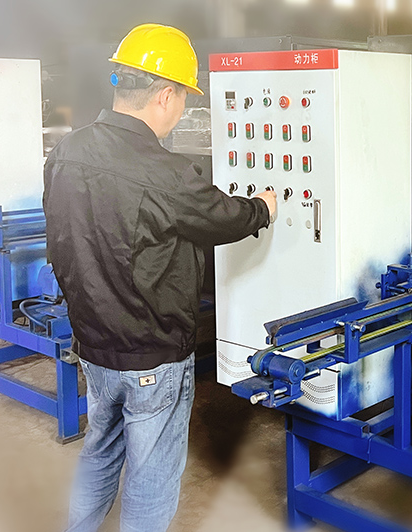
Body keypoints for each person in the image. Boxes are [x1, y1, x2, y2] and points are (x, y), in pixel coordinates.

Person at [43, 24, 277, 532]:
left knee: (100, 449)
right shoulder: (165, 171)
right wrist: (263, 207)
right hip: (152, 353)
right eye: (185, 100)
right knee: (152, 474)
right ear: (165, 95)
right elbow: (222, 218)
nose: (181, 111)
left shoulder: (66, 153)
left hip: (93, 344)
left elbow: (60, 238)